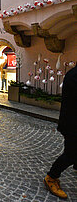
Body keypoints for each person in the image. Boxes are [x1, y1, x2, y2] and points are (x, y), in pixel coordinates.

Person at [44, 65, 77, 199]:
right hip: (72, 124)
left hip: (72, 122)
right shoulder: (74, 76)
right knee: (71, 154)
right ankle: (51, 177)